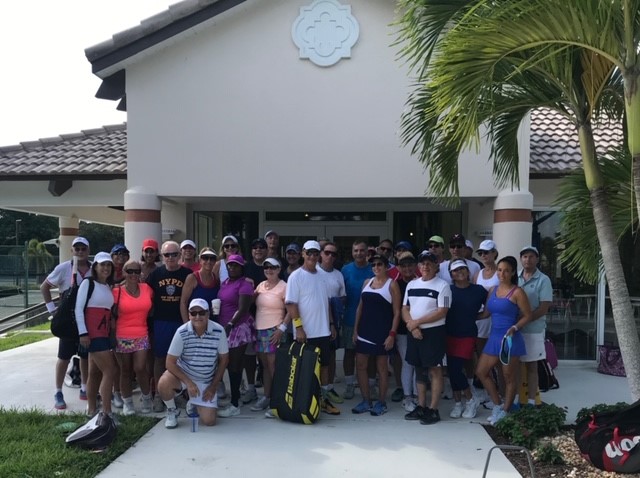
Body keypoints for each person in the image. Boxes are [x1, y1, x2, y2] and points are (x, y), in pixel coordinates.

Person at [476, 256, 532, 425]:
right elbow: (486, 313)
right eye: (499, 270)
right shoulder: (492, 290)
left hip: (510, 339)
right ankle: (498, 405)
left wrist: (515, 327)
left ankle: (505, 411)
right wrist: (468, 317)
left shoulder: (517, 292)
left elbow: (528, 315)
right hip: (493, 337)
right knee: (481, 372)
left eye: (506, 270)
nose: (502, 273)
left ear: (513, 272)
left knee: (508, 377)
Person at [286, 240, 340, 415]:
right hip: (305, 333)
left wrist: (331, 324)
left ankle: (323, 400)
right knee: (304, 368)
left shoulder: (323, 276)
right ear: (303, 253)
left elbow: (327, 303)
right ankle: (303, 400)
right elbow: (291, 304)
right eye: (309, 252)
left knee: (324, 367)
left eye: (316, 253)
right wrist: (299, 328)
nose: (312, 256)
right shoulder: (296, 276)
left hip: (323, 331)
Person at [159, 298, 229, 429]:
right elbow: (169, 362)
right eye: (193, 313)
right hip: (184, 377)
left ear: (208, 314)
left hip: (206, 380)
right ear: (189, 314)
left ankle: (193, 402)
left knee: (209, 421)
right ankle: (172, 410)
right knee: (164, 382)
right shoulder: (181, 331)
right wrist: (189, 382)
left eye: (202, 313)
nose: (197, 316)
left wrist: (213, 386)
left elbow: (224, 360)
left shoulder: (219, 331)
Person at [41, 236, 91, 410]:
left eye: (83, 249)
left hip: (86, 318)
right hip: (69, 319)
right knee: (64, 356)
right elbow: (44, 287)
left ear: (88, 251)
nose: (80, 252)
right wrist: (52, 310)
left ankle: (85, 387)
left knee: (85, 355)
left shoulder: (94, 269)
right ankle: (58, 391)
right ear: (72, 250)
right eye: (76, 249)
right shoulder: (63, 268)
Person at [402, 250, 452, 425]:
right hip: (414, 332)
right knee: (419, 370)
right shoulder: (412, 285)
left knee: (435, 370)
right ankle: (421, 406)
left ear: (436, 265)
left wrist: (416, 323)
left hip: (434, 333)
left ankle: (433, 409)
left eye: (429, 263)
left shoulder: (443, 285)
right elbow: (405, 308)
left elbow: (442, 311)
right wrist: (411, 325)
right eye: (422, 263)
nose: (425, 266)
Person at [351, 254, 401, 416]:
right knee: (361, 366)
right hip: (364, 331)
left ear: (386, 266)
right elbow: (360, 308)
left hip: (382, 332)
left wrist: (392, 335)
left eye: (380, 264)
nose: (376, 267)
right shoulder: (367, 282)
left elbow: (397, 312)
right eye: (373, 265)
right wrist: (355, 330)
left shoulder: (392, 285)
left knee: (381, 369)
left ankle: (381, 403)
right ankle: (366, 400)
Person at [146, 241, 192, 412]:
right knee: (160, 358)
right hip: (161, 321)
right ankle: (159, 394)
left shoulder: (188, 274)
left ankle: (178, 393)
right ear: (162, 256)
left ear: (180, 255)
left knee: (181, 360)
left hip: (180, 321)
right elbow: (145, 295)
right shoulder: (156, 274)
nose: (171, 258)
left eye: (174, 254)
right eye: (167, 255)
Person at [75, 252, 117, 417]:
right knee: (110, 370)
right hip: (92, 333)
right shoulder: (88, 283)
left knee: (95, 373)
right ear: (95, 267)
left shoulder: (106, 286)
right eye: (102, 265)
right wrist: (83, 333)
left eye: (108, 265)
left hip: (104, 332)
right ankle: (107, 411)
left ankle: (92, 410)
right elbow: (79, 309)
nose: (106, 268)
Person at [445, 260, 487, 419]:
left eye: (462, 268)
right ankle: (457, 403)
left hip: (467, 334)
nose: (460, 272)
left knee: (456, 369)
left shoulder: (479, 290)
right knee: (451, 371)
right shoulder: (447, 289)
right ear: (451, 275)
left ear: (468, 271)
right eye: (456, 270)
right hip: (448, 334)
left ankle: (471, 399)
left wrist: (476, 316)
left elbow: (488, 309)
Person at [112, 259, 154, 415]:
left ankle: (147, 397)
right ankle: (128, 402)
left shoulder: (147, 289)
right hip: (121, 335)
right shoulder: (117, 291)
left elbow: (153, 308)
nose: (134, 274)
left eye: (137, 271)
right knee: (125, 371)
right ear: (124, 272)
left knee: (141, 368)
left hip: (142, 333)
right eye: (130, 271)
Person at [216, 254, 254, 417]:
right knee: (226, 363)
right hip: (225, 327)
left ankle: (235, 403)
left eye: (236, 265)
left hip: (238, 328)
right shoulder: (225, 283)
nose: (232, 267)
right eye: (230, 265)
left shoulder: (244, 284)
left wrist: (230, 324)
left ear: (241, 267)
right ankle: (234, 398)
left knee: (234, 366)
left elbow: (244, 308)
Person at [252, 257, 288, 415]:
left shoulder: (284, 286)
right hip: (259, 330)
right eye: (266, 267)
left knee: (274, 367)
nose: (269, 270)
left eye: (273, 267)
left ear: (279, 269)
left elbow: (291, 310)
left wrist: (281, 329)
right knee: (265, 366)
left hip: (274, 330)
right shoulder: (260, 285)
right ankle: (267, 396)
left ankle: (278, 400)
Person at [517, 246, 553, 406]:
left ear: (537, 259)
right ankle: (516, 400)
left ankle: (531, 402)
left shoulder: (543, 280)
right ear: (521, 259)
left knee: (532, 366)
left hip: (534, 330)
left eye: (531, 256)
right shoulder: (514, 277)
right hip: (516, 330)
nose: (528, 259)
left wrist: (524, 320)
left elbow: (543, 308)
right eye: (524, 256)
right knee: (516, 366)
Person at [341, 239, 374, 399]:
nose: (359, 253)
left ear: (367, 252)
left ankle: (372, 385)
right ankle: (349, 385)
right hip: (349, 318)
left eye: (362, 250)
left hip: (370, 319)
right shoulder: (345, 270)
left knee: (371, 354)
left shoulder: (374, 269)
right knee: (349, 352)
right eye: (356, 251)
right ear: (352, 253)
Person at [317, 241, 346, 404]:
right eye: (327, 252)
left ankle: (328, 387)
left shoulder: (338, 274)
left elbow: (344, 296)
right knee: (315, 354)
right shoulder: (314, 272)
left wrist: (335, 302)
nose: (330, 256)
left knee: (331, 354)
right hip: (314, 320)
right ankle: (316, 387)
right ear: (321, 253)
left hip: (332, 320)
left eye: (333, 254)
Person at [392, 251, 419, 412]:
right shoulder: (396, 284)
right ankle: (407, 396)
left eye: (410, 265)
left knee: (418, 363)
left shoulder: (421, 282)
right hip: (403, 330)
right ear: (398, 268)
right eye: (404, 265)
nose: (407, 268)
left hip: (420, 328)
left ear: (415, 266)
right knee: (408, 363)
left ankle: (417, 395)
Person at [180, 247, 220, 321]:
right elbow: (183, 302)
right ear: (200, 260)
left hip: (212, 323)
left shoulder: (216, 279)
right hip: (195, 322)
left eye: (212, 258)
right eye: (205, 258)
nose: (209, 261)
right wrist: (187, 326)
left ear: (215, 261)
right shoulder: (192, 278)